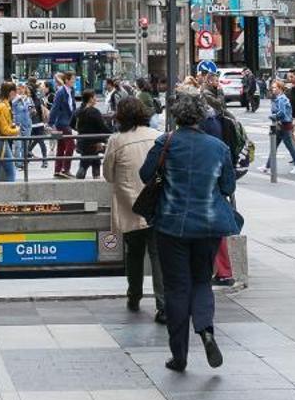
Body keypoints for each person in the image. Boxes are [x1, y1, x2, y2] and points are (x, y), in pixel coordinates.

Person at [140, 93, 240, 372]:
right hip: (208, 226)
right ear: (201, 117)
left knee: (176, 288)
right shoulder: (218, 148)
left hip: (171, 226)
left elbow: (145, 175)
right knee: (201, 282)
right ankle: (206, 330)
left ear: (176, 116)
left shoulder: (166, 143)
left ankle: (179, 355)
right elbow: (228, 187)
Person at [102, 95, 166, 321]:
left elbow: (108, 175)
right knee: (158, 254)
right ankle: (163, 304)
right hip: (156, 204)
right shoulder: (157, 136)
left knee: (134, 253)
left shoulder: (116, 141)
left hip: (130, 205)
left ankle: (134, 294)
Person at [0, 80, 21, 182]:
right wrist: (17, 130)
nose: (16, 94)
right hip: (0, 142)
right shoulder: (3, 106)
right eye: (15, 91)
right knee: (11, 171)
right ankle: (10, 196)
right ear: (11, 92)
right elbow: (5, 130)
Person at [267, 80, 295, 171]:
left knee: (290, 147)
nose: (273, 89)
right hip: (281, 125)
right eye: (272, 87)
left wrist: (273, 116)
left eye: (275, 87)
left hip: (284, 126)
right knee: (274, 146)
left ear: (280, 88)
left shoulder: (281, 99)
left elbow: (282, 113)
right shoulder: (279, 98)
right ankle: (267, 166)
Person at [73, 90, 108, 178]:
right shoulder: (94, 112)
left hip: (82, 141)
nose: (96, 99)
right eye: (95, 97)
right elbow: (102, 127)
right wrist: (112, 133)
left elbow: (72, 124)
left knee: (94, 161)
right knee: (85, 164)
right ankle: (82, 182)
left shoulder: (78, 111)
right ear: (90, 99)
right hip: (94, 142)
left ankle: (95, 179)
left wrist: (80, 130)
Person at [49, 72, 76, 178]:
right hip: (62, 123)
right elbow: (55, 107)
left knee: (61, 146)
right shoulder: (61, 92)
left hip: (68, 122)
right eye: (73, 80)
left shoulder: (71, 91)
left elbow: (72, 106)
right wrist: (51, 123)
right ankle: (65, 169)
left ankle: (58, 170)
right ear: (67, 80)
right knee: (71, 145)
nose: (74, 81)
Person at [8, 80, 36, 178]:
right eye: (18, 88)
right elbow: (11, 110)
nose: (20, 90)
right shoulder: (13, 99)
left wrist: (31, 110)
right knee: (17, 145)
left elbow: (33, 111)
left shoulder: (28, 99)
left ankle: (23, 162)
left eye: (22, 88)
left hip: (27, 123)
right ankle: (18, 163)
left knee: (26, 144)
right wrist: (18, 99)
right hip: (17, 124)